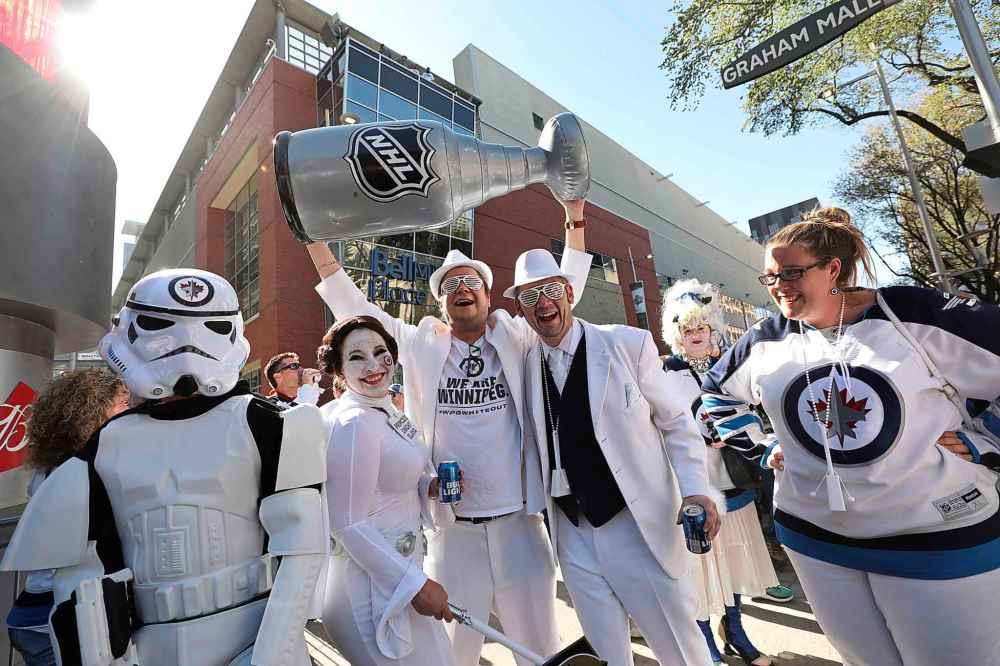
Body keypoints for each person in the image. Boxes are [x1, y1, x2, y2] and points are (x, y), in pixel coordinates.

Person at [702, 208, 1000, 666]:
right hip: (816, 540)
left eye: (792, 273)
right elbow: (716, 397)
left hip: (939, 538)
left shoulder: (913, 313)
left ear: (833, 269)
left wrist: (988, 444)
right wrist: (764, 447)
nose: (779, 285)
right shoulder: (765, 338)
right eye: (770, 277)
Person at [307, 197, 591, 666]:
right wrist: (313, 237)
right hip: (452, 536)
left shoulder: (517, 336)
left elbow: (565, 288)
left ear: (486, 293)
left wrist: (574, 216)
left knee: (539, 649)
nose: (463, 289)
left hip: (520, 525)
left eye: (472, 282)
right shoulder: (419, 344)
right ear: (440, 303)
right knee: (452, 654)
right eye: (451, 285)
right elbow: (351, 305)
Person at [1, 269, 328, 665]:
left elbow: (302, 551)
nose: (187, 344)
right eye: (161, 324)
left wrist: (270, 655)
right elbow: (82, 576)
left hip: (255, 635)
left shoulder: (269, 424)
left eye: (208, 327)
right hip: (148, 645)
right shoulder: (106, 443)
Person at [511, 248, 720, 666]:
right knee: (605, 654)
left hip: (636, 525)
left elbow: (677, 423)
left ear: (569, 291)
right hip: (570, 531)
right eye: (530, 297)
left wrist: (696, 491)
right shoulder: (525, 361)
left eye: (551, 290)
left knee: (681, 651)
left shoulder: (627, 344)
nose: (544, 304)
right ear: (521, 307)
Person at [319, 316, 457, 666]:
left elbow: (392, 476)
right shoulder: (355, 423)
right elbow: (346, 522)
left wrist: (429, 486)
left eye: (380, 352)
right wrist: (415, 585)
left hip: (400, 576)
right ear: (338, 370)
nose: (372, 365)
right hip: (367, 591)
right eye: (356, 357)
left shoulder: (385, 410)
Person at [661, 280, 778, 666]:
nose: (695, 335)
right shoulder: (663, 371)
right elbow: (659, 426)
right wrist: (698, 434)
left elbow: (754, 412)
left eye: (701, 327)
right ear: (676, 333)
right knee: (699, 565)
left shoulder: (728, 366)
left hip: (734, 477)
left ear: (712, 328)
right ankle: (704, 641)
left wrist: (736, 432)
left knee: (734, 558)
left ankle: (736, 632)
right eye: (687, 329)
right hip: (694, 485)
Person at [5, 370, 129, 666]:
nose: (128, 411)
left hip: (31, 613)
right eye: (121, 404)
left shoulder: (49, 470)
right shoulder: (89, 470)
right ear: (95, 411)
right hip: (61, 614)